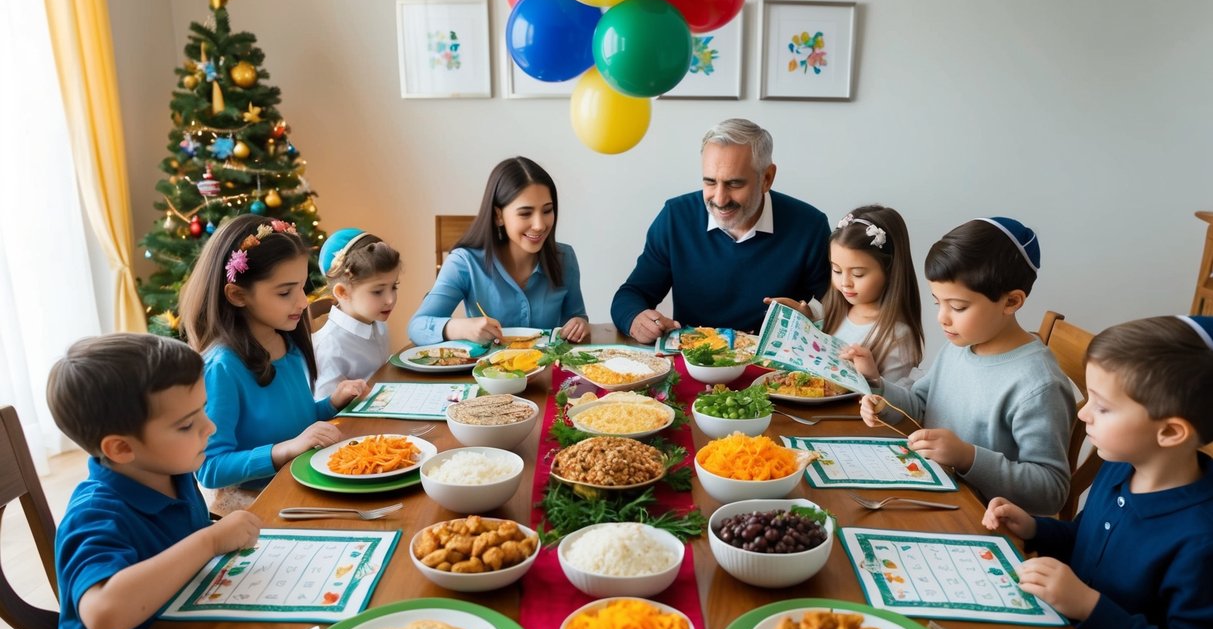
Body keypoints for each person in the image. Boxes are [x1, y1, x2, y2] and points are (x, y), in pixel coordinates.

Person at [982, 315, 1213, 629]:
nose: (1083, 412)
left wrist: (1090, 606)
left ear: (1169, 432)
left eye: (1102, 407)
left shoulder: (1202, 538)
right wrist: (1036, 529)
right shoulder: (1121, 464)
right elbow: (1087, 541)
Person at [46, 333, 262, 629]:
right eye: (186, 425)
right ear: (121, 449)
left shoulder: (170, 471)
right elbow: (105, 613)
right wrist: (209, 541)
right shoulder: (94, 514)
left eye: (204, 411)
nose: (210, 429)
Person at [854, 217, 1075, 514]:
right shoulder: (959, 347)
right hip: (934, 496)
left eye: (958, 307)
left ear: (1011, 302)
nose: (942, 318)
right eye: (937, 302)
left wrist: (968, 457)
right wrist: (881, 392)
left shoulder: (1038, 385)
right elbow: (921, 405)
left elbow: (1051, 492)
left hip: (980, 522)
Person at [179, 214, 367, 512]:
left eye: (303, 287)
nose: (303, 302)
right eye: (285, 292)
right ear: (237, 295)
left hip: (294, 482)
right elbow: (210, 468)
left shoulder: (285, 341)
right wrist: (285, 449)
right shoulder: (222, 368)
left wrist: (331, 404)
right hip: (251, 505)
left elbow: (294, 424)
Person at [610, 118, 831, 342]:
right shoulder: (675, 217)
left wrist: (812, 317)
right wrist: (636, 319)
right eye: (710, 182)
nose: (720, 199)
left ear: (766, 178)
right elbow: (631, 294)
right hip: (696, 361)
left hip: (774, 370)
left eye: (734, 184)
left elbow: (840, 307)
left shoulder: (810, 226)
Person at [408, 156, 589, 346]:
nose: (539, 225)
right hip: (486, 374)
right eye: (525, 213)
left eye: (547, 210)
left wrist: (579, 324)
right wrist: (461, 328)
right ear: (498, 216)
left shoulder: (564, 259)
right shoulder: (465, 262)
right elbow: (417, 327)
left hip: (546, 373)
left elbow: (576, 317)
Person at [772, 205, 923, 385]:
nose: (845, 283)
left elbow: (897, 407)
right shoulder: (830, 311)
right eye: (836, 270)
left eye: (858, 274)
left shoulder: (897, 336)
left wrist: (872, 377)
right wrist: (807, 323)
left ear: (890, 271)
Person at [312, 228, 401, 399]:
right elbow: (326, 410)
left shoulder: (379, 324)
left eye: (394, 287)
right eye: (377, 292)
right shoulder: (330, 348)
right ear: (343, 292)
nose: (390, 299)